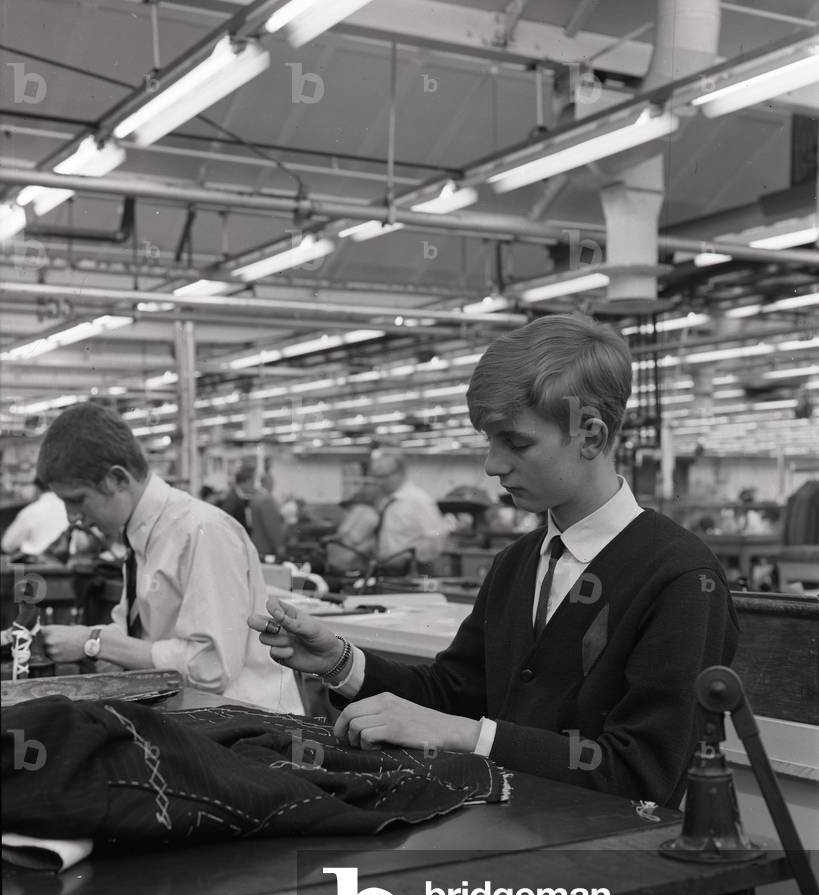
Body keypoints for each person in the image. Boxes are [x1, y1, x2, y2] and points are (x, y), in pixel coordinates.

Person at [249, 313, 739, 807]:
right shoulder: (518, 564)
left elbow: (642, 772)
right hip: (509, 841)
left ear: (590, 437)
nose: (493, 465)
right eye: (490, 441)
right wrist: (340, 662)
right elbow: (451, 692)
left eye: (517, 443)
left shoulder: (679, 577)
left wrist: (466, 735)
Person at [36, 403, 303, 712]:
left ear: (118, 478)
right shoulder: (143, 535)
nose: (71, 518)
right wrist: (76, 642)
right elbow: (134, 631)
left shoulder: (201, 532)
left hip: (244, 727)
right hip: (187, 717)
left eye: (77, 499)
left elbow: (209, 668)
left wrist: (95, 642)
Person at [368, 452, 450, 573]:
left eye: (383, 477)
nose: (378, 482)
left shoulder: (418, 501)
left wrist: (413, 556)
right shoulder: (387, 500)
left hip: (411, 571)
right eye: (376, 477)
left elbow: (437, 535)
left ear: (400, 473)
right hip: (385, 568)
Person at [1, 478, 69, 557]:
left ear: (36, 488)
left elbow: (7, 546)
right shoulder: (67, 507)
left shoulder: (31, 511)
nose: (18, 490)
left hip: (32, 563)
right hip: (60, 562)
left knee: (4, 565)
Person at [325, 481, 380, 574]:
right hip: (356, 554)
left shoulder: (360, 510)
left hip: (347, 554)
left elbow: (345, 533)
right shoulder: (374, 514)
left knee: (304, 564)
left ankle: (296, 586)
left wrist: (327, 539)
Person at [250, 472, 286, 561]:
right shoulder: (267, 500)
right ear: (268, 483)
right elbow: (271, 525)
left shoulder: (255, 498)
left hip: (257, 542)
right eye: (272, 482)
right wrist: (279, 546)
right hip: (266, 545)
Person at [220, 464, 256, 532]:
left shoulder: (240, 496)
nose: (254, 486)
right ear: (245, 482)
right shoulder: (232, 498)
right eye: (252, 482)